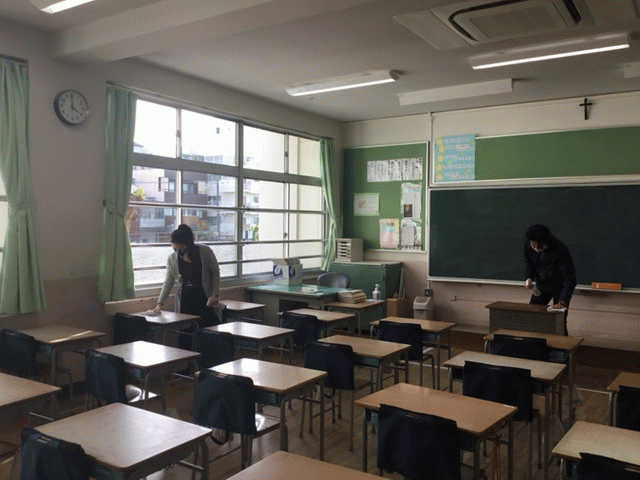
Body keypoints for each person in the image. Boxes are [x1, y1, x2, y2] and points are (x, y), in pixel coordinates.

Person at [154, 224, 221, 346]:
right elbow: (168, 281)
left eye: (180, 249)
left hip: (204, 296)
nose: (178, 252)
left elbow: (215, 272)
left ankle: (204, 357)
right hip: (186, 297)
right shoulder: (172, 259)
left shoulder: (205, 251)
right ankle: (186, 357)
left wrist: (215, 294)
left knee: (206, 331)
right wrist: (160, 303)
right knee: (185, 332)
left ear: (189, 243)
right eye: (175, 249)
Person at [524, 224, 576, 333]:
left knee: (559, 321)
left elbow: (569, 278)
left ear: (545, 241)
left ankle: (561, 344)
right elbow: (529, 264)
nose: (536, 249)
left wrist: (563, 301)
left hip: (560, 288)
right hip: (541, 286)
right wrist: (529, 278)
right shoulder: (529, 246)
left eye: (539, 246)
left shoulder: (560, 249)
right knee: (532, 314)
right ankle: (534, 342)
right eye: (533, 246)